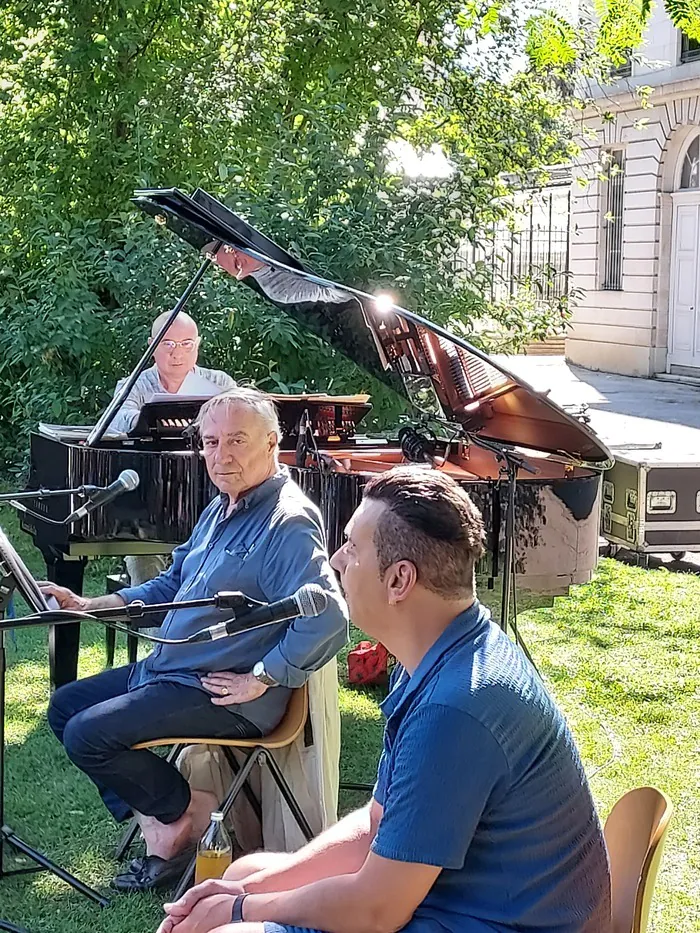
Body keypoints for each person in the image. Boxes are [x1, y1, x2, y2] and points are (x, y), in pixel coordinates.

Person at [157, 467, 612, 933]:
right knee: (241, 874)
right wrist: (244, 893)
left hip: (478, 919)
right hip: (450, 904)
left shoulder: (454, 708)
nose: (336, 560)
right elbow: (377, 826)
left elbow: (377, 911)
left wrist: (239, 911)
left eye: (353, 547)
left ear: (399, 581)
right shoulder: (437, 655)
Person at [41, 387, 349, 893]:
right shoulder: (221, 506)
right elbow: (171, 585)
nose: (220, 455)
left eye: (236, 440)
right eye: (209, 442)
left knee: (87, 735)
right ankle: (170, 818)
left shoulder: (287, 521)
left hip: (217, 689)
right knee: (64, 708)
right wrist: (91, 605)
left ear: (272, 443)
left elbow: (330, 616)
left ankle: (185, 816)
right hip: (173, 670)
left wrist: (263, 677)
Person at [106, 309, 236, 589]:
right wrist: (158, 414)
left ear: (197, 345)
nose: (177, 353)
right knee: (144, 559)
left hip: (214, 499)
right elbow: (120, 420)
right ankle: (160, 632)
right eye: (167, 344)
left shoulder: (221, 384)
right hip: (150, 507)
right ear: (153, 346)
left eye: (186, 344)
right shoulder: (134, 386)